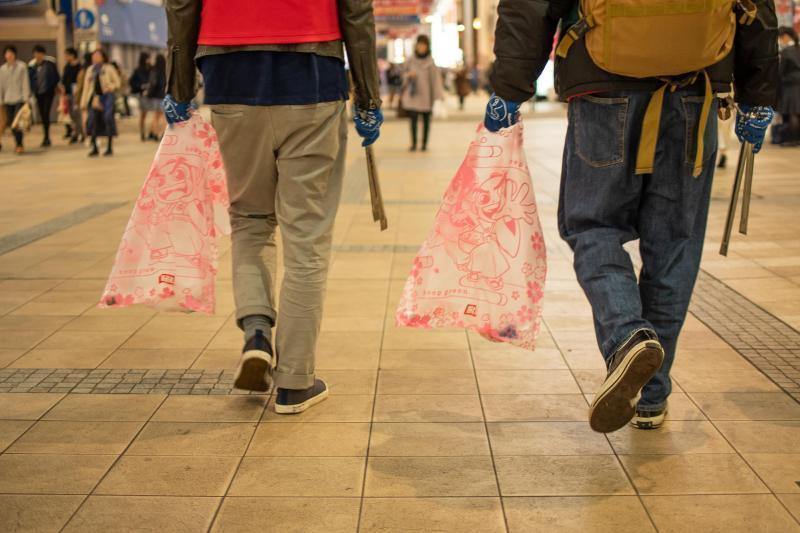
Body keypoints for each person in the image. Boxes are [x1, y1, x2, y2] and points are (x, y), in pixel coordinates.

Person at [486, 0, 778, 432]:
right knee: (675, 244)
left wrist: (510, 88)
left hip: (602, 88)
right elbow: (757, 9)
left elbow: (529, 5)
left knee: (592, 226)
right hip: (694, 90)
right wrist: (758, 95)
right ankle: (651, 396)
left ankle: (627, 336)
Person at [164, 0, 382, 413]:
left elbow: (180, 6)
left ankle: (257, 330)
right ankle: (295, 381)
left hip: (228, 74)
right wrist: (368, 98)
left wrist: (177, 88)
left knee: (250, 218)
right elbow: (356, 10)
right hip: (313, 71)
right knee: (307, 235)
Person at [401, 35, 443, 151]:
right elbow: (403, 76)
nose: (422, 47)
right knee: (413, 120)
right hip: (413, 95)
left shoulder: (431, 62)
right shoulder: (410, 60)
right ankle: (414, 143)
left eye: (424, 45)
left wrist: (437, 97)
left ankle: (424, 144)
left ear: (427, 47)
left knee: (426, 121)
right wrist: (408, 75)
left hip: (426, 96)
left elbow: (436, 81)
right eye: (420, 44)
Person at [80, 48, 120, 157]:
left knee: (108, 118)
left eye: (98, 55)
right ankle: (95, 147)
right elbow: (86, 87)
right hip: (94, 98)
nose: (95, 57)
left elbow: (117, 83)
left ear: (103, 57)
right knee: (92, 121)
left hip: (107, 97)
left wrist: (110, 87)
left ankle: (109, 147)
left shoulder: (109, 68)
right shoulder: (90, 70)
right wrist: (83, 103)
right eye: (94, 56)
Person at [0, 45, 32, 154]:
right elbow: (1, 86)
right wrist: (1, 100)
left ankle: (19, 144)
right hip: (7, 99)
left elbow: (25, 82)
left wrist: (27, 98)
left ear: (14, 55)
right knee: (10, 123)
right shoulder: (3, 69)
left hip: (19, 98)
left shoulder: (22, 67)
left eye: (10, 53)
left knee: (17, 123)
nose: (8, 55)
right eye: (6, 53)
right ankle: (17, 142)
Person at [30, 45, 60, 147]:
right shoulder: (32, 66)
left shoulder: (50, 64)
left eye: (39, 53)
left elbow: (56, 77)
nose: (37, 55)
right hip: (38, 94)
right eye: (36, 53)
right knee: (42, 114)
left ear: (43, 54)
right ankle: (45, 136)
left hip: (48, 92)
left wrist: (53, 87)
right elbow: (30, 79)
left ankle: (47, 136)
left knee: (46, 112)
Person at [778, 27, 800, 146]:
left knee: (792, 112)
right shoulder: (798, 48)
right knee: (797, 112)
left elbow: (782, 70)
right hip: (798, 83)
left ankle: (792, 140)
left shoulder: (787, 51)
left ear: (786, 36)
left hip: (790, 85)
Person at [61, 47, 83, 144]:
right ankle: (79, 132)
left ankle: (79, 134)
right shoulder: (67, 67)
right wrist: (64, 93)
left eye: (67, 55)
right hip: (69, 93)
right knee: (71, 115)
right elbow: (64, 80)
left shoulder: (80, 67)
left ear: (72, 55)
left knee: (77, 114)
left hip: (77, 93)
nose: (65, 57)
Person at [129, 52, 152, 141]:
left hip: (151, 94)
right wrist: (140, 86)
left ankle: (151, 132)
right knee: (143, 114)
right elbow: (132, 81)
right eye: (148, 58)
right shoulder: (138, 70)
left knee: (152, 114)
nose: (149, 60)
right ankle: (142, 133)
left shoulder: (151, 68)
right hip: (142, 94)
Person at [145, 54, 166, 141]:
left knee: (155, 116)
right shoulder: (166, 71)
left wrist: (148, 93)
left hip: (156, 96)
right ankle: (163, 134)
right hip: (163, 96)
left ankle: (155, 133)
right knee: (162, 116)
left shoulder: (154, 71)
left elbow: (153, 84)